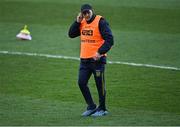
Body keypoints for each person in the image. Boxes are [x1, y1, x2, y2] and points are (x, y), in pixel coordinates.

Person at [68, 4, 114, 117]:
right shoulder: (82, 22)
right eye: (84, 13)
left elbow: (110, 39)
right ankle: (91, 106)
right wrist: (77, 22)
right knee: (81, 83)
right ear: (81, 13)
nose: (86, 15)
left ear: (92, 11)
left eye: (88, 12)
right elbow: (71, 34)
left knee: (100, 85)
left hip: (98, 61)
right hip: (84, 60)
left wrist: (100, 52)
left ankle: (102, 109)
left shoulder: (101, 22)